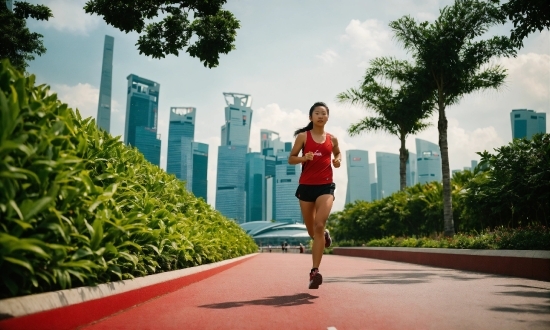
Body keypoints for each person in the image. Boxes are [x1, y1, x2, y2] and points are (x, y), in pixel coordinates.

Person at [288, 101, 341, 289]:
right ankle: (324, 235)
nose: (320, 116)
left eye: (324, 113)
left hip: (326, 186)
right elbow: (291, 158)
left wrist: (337, 160)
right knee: (312, 232)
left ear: (327, 117)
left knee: (319, 225)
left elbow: (338, 153)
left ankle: (314, 271)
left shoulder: (332, 138)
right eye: (317, 113)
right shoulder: (303, 137)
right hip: (306, 187)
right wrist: (304, 158)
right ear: (311, 117)